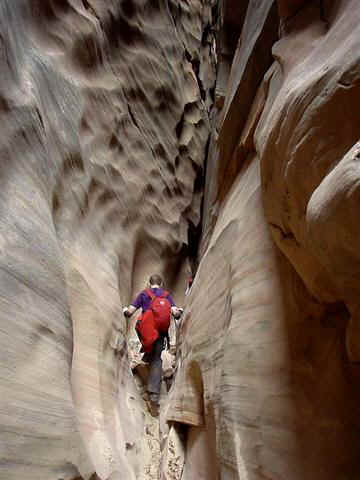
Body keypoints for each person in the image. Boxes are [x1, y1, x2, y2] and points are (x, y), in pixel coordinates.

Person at [123, 274, 182, 406]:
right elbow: (175, 313)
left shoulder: (144, 294)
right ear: (161, 284)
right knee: (156, 358)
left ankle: (149, 384)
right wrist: (180, 312)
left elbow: (130, 312)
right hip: (160, 332)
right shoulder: (166, 295)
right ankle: (154, 394)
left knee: (150, 349)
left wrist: (125, 310)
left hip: (146, 331)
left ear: (150, 283)